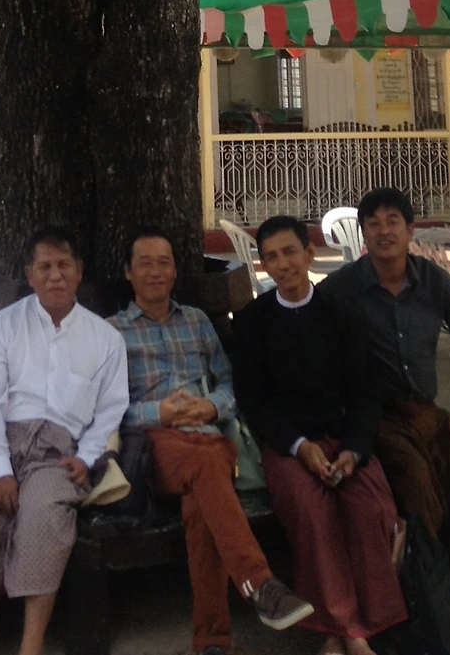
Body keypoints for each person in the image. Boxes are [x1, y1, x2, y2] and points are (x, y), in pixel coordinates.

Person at [321, 187, 450, 626]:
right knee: (416, 486)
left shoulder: (432, 281)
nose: (384, 231)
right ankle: (433, 592)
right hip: (377, 420)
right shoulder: (341, 289)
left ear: (410, 229)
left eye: (393, 221)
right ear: (363, 234)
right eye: (373, 224)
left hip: (430, 415)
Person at [109, 230, 314, 653]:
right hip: (155, 444)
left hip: (210, 439)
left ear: (175, 270)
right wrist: (159, 413)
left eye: (164, 262)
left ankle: (213, 642)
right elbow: (104, 410)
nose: (155, 271)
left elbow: (231, 384)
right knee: (205, 468)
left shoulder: (197, 321)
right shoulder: (112, 332)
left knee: (201, 502)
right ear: (128, 272)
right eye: (145, 263)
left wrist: (211, 407)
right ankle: (259, 583)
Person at [0, 225, 129, 655]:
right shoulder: (2, 327)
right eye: (45, 267)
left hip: (60, 452)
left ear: (79, 270)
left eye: (64, 265)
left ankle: (31, 642)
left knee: (43, 520)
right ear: (30, 274)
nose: (55, 276)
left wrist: (87, 457)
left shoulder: (106, 339)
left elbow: (110, 410)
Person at [232, 215, 406, 655]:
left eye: (290, 252)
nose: (283, 264)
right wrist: (298, 446)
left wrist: (354, 450)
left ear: (309, 254)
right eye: (271, 257)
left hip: (342, 438)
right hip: (289, 444)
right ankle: (348, 632)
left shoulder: (343, 313)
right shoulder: (253, 321)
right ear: (263, 264)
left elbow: (366, 393)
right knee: (312, 512)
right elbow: (254, 401)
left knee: (369, 507)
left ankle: (346, 630)